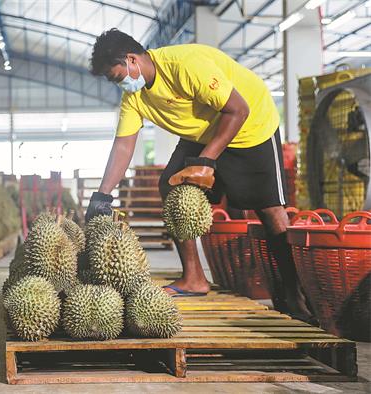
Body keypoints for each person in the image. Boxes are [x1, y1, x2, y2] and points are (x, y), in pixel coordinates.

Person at [84, 28, 312, 319]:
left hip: (250, 125)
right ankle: (194, 278)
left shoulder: (186, 65)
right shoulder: (135, 97)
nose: (121, 85)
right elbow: (124, 145)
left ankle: (295, 295)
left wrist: (206, 160)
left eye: (118, 77)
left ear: (132, 60)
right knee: (170, 185)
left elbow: (237, 110)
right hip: (205, 130)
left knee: (270, 211)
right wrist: (102, 195)